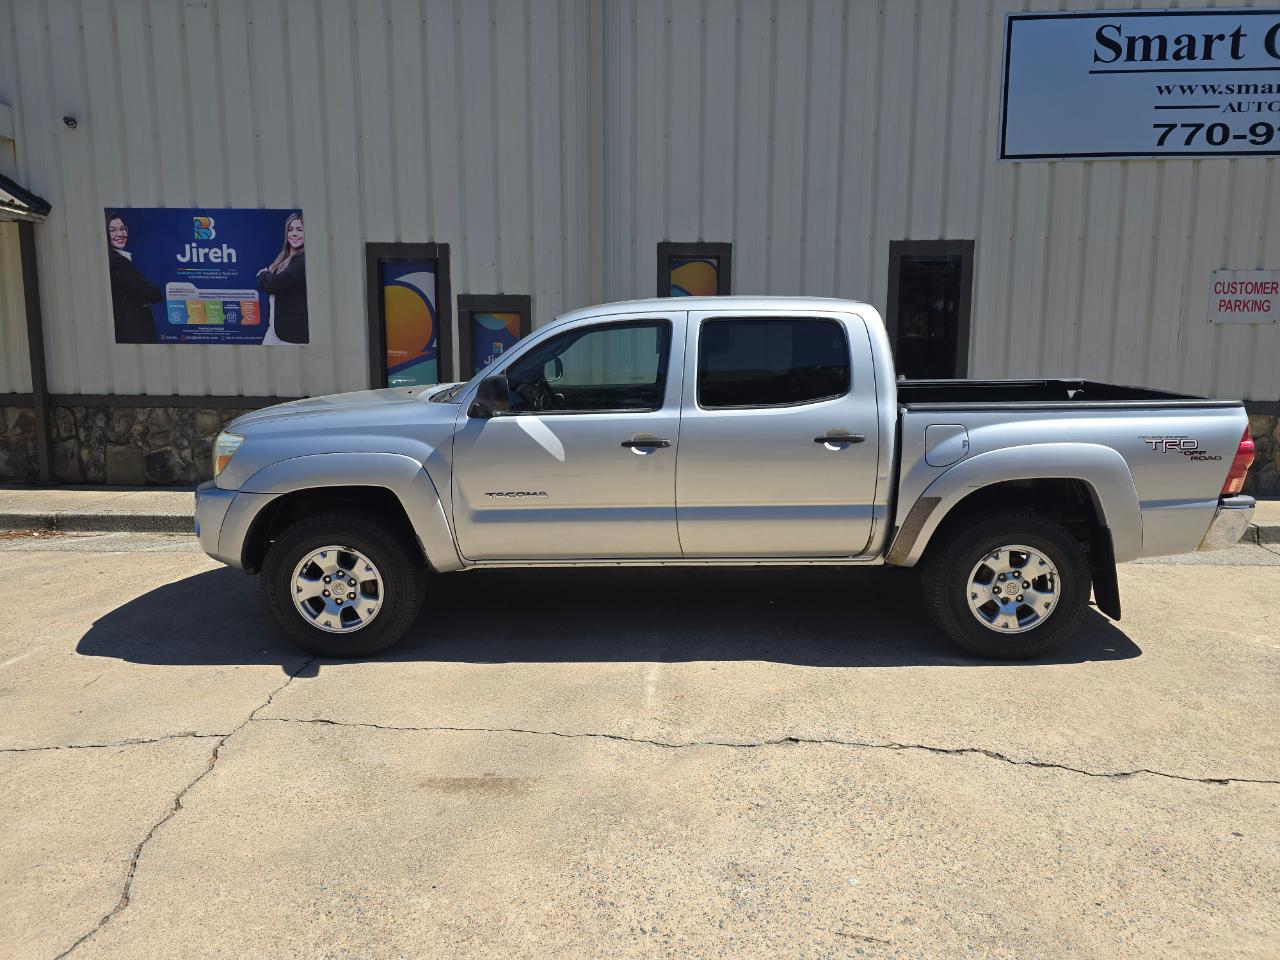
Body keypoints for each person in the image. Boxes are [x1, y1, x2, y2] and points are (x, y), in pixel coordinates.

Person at [106, 212, 162, 343]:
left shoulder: (120, 259)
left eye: (122, 228)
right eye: (113, 230)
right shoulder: (117, 262)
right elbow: (152, 292)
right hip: (133, 334)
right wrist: (149, 295)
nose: (119, 234)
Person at [257, 211, 308, 344]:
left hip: (292, 334)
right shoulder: (283, 258)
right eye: (290, 230)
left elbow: (274, 284)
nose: (294, 234)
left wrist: (263, 274)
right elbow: (270, 286)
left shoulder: (303, 260)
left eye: (300, 230)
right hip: (274, 329)